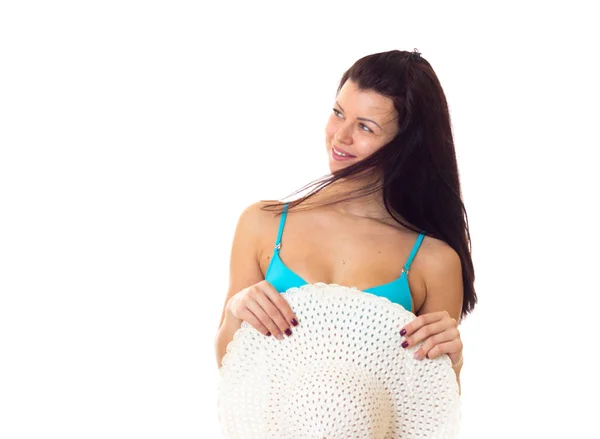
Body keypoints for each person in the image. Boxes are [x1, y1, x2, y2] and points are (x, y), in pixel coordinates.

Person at [214, 49, 477, 394]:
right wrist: (237, 308)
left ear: (405, 145)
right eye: (339, 113)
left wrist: (452, 360)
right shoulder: (262, 224)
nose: (341, 136)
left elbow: (433, 411)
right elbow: (228, 364)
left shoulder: (434, 260)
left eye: (365, 126)